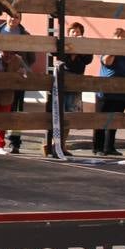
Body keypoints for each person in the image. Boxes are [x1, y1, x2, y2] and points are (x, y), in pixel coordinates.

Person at [44, 22, 91, 156]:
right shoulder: (63, 43)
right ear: (68, 33)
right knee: (58, 112)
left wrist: (80, 48)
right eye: (72, 31)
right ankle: (54, 144)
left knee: (70, 114)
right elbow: (55, 53)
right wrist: (69, 47)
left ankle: (62, 145)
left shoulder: (85, 47)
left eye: (78, 32)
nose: (75, 34)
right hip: (61, 81)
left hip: (76, 82)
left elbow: (88, 60)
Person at [0, 13, 36, 153]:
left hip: (16, 78)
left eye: (17, 17)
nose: (13, 19)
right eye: (11, 16)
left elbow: (31, 57)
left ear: (20, 19)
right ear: (7, 17)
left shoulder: (25, 35)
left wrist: (22, 68)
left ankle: (14, 141)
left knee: (15, 110)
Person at [93, 27, 125, 157]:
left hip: (123, 90)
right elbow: (107, 61)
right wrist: (116, 48)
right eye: (118, 38)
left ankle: (110, 147)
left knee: (115, 119)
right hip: (106, 90)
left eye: (123, 38)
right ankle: (98, 147)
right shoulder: (108, 50)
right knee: (101, 120)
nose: (121, 41)